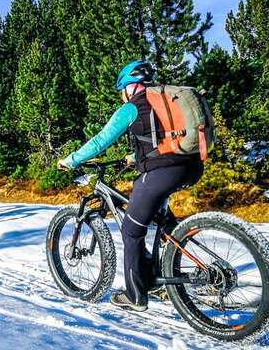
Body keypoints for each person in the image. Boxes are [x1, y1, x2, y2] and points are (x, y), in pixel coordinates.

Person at [57, 60, 204, 312]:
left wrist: (71, 160)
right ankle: (163, 269)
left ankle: (136, 296)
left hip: (163, 172)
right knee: (161, 221)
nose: (122, 95)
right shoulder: (163, 101)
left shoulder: (132, 107)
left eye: (121, 90)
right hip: (192, 166)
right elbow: (164, 139)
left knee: (131, 230)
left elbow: (100, 140)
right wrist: (135, 158)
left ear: (128, 87)